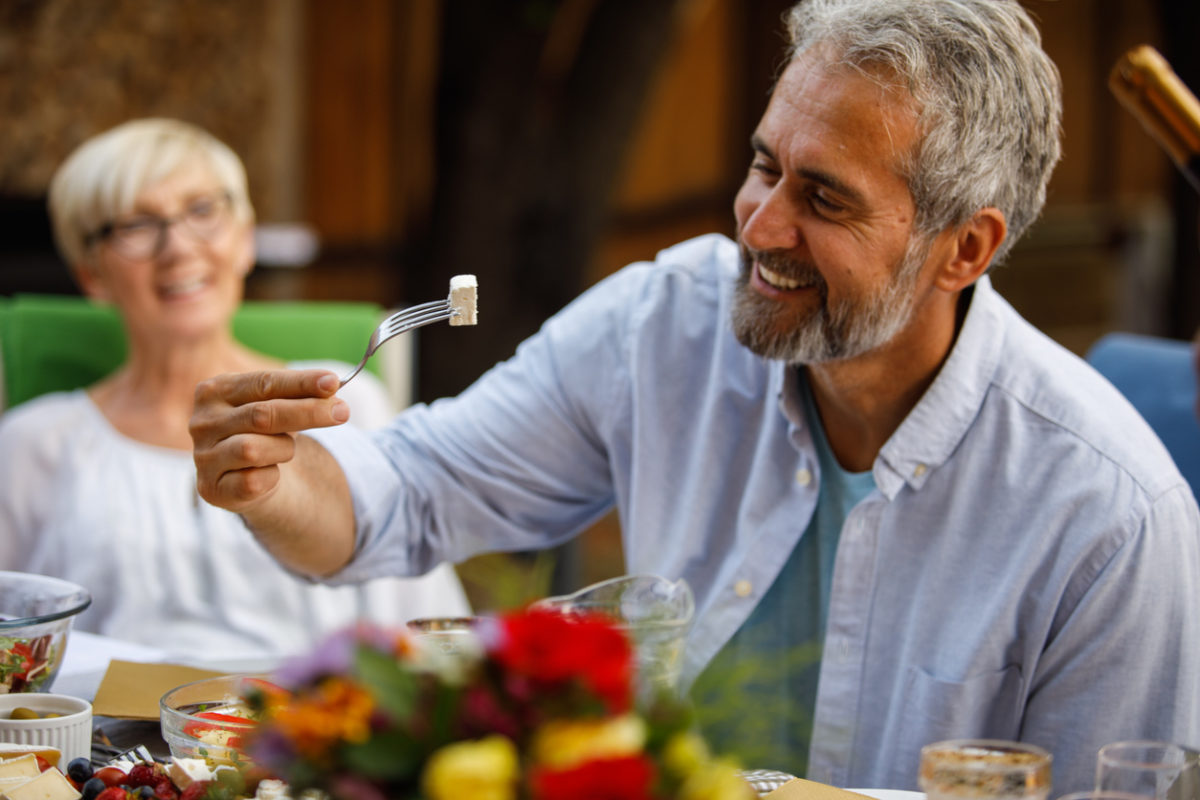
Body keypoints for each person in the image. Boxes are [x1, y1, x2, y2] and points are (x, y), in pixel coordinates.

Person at [189, 0, 1200, 792]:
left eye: (825, 197)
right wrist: (277, 479)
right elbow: (405, 496)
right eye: (764, 165)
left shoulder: (1111, 514)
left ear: (965, 247)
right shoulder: (659, 324)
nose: (760, 226)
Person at [0, 118, 470, 664]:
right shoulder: (33, 444)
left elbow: (419, 612)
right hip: (113, 745)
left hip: (314, 732)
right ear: (92, 275)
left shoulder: (340, 399)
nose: (177, 247)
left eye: (202, 211)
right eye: (134, 224)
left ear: (245, 242)